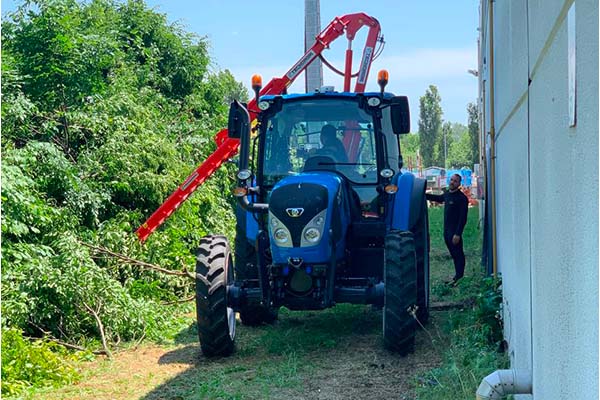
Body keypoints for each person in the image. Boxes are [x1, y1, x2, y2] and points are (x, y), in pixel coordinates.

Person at [426, 173, 469, 285]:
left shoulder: (462, 198)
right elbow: (438, 198)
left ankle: (460, 277)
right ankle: (457, 277)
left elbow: (463, 218)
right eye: (451, 180)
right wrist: (424, 194)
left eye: (455, 181)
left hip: (455, 232)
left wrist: (458, 234)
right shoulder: (447, 194)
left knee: (458, 254)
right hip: (446, 231)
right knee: (453, 255)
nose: (452, 182)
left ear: (459, 184)